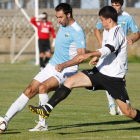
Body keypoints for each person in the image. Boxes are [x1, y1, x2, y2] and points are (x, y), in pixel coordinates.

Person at [28, 6, 140, 127]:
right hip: (100, 73)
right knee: (70, 81)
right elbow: (105, 49)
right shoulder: (107, 31)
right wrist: (97, 56)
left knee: (128, 112)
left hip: (114, 78)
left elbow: (109, 49)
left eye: (101, 20)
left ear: (109, 20)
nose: (100, 22)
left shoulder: (118, 31)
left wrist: (89, 54)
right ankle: (47, 109)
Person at [2, 3, 86, 131]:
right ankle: (5, 120)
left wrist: (64, 65)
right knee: (30, 89)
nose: (58, 20)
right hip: (52, 65)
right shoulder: (63, 25)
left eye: (61, 17)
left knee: (43, 87)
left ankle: (42, 125)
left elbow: (81, 56)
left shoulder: (78, 31)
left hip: (67, 70)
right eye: (57, 17)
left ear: (69, 15)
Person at [94, 0, 140, 115]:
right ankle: (111, 105)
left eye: (117, 5)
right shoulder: (107, 16)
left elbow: (137, 33)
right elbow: (96, 29)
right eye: (113, 5)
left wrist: (132, 40)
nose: (114, 7)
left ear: (122, 6)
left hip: (119, 54)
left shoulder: (127, 18)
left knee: (119, 79)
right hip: (108, 51)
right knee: (106, 76)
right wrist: (101, 43)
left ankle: (122, 105)